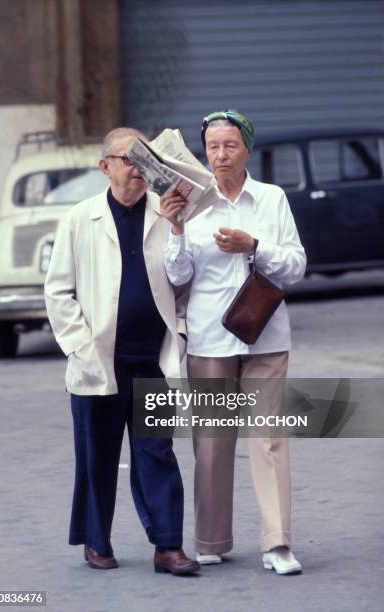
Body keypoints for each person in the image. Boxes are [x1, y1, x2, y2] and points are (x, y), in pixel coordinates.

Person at [44, 127, 200, 576]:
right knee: (97, 454)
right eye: (126, 158)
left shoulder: (165, 212)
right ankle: (98, 542)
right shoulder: (80, 218)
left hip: (152, 359)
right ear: (105, 166)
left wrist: (177, 229)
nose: (135, 167)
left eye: (143, 158)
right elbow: (58, 292)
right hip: (100, 362)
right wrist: (79, 347)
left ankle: (168, 547)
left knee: (157, 453)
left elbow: (183, 280)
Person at [160, 110, 306, 575]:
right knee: (213, 441)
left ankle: (277, 543)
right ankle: (210, 539)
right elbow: (177, 276)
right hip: (209, 338)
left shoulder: (271, 198)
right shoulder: (191, 201)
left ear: (247, 149)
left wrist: (254, 245)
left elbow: (296, 266)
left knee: (268, 440)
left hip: (265, 334)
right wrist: (177, 229)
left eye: (230, 146)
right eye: (213, 147)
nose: (220, 155)